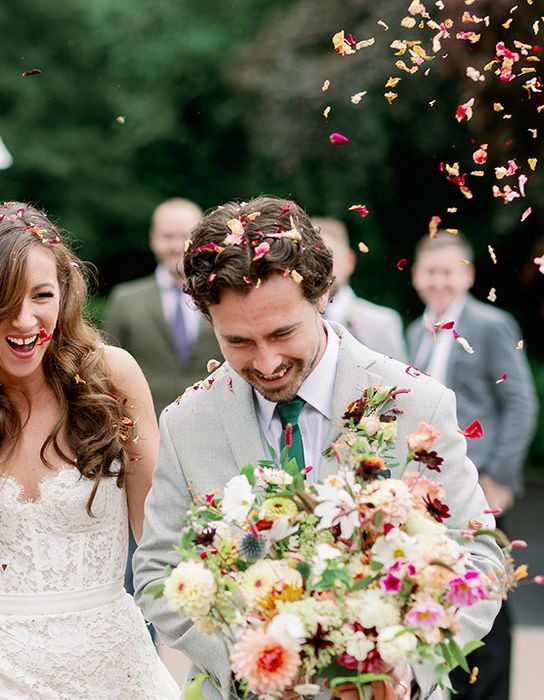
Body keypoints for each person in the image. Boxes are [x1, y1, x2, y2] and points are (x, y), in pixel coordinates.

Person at [133, 196, 504, 700]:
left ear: (323, 293)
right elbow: (156, 570)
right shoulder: (185, 422)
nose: (266, 362)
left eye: (283, 332)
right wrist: (249, 662)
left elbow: (478, 552)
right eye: (238, 341)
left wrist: (402, 664)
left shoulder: (418, 403)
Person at [0, 202, 178, 699]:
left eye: (42, 296)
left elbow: (159, 531)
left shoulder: (111, 377)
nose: (26, 320)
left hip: (114, 670)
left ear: (65, 293)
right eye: (2, 300)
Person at [408, 231, 538, 700]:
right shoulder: (415, 330)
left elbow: (521, 402)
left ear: (467, 274)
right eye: (431, 272)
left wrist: (500, 476)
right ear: (418, 276)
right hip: (430, 490)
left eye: (449, 272)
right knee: (447, 590)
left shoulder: (490, 323)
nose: (439, 281)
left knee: (488, 595)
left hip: (481, 482)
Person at [103, 198, 222, 417]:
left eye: (185, 237)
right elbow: (105, 372)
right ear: (153, 239)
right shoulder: (125, 299)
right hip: (146, 428)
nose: (176, 246)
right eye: (168, 237)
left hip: (214, 422)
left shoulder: (223, 295)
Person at [314, 217, 407, 361]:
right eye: (311, 260)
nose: (319, 269)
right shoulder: (290, 322)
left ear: (349, 261)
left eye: (327, 259)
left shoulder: (381, 323)